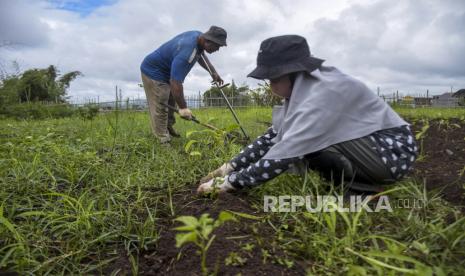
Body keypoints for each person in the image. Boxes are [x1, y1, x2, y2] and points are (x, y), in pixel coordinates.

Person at [197, 35, 417, 194]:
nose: (270, 86)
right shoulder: (305, 90)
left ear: (293, 74)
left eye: (273, 79)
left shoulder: (323, 96)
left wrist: (226, 184)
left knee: (307, 146)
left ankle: (364, 189)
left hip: (392, 154)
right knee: (304, 143)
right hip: (373, 149)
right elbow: (272, 137)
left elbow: (282, 155)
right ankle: (351, 183)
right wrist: (229, 167)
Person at [140, 26, 227, 143]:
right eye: (217, 46)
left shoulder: (199, 37)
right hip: (153, 72)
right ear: (208, 41)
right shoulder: (186, 54)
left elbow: (200, 55)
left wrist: (213, 71)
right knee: (161, 104)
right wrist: (184, 108)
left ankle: (168, 127)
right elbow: (176, 82)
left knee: (171, 101)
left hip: (167, 72)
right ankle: (162, 139)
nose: (217, 49)